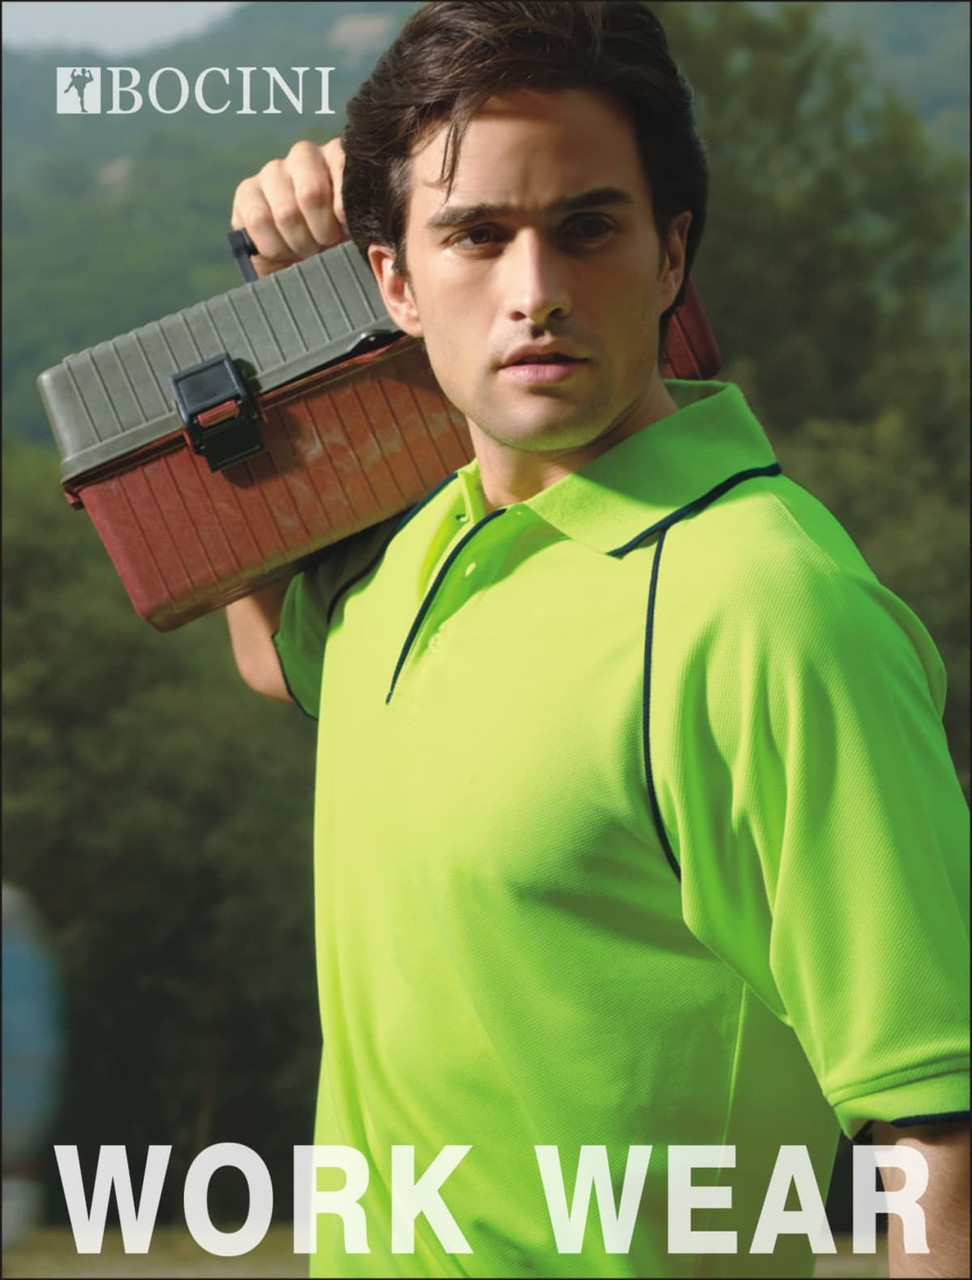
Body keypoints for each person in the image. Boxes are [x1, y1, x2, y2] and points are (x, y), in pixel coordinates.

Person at [225, 3, 969, 1276]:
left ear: (672, 256)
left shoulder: (769, 607)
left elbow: (942, 1145)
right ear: (393, 283)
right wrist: (268, 299)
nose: (537, 294)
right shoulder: (409, 565)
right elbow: (272, 656)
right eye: (474, 234)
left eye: (587, 229)